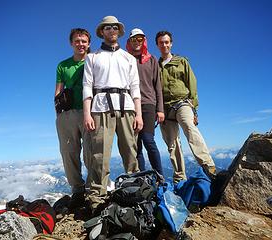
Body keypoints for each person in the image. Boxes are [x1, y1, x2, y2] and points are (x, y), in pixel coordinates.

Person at [83, 16, 143, 212]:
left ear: (118, 31)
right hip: (100, 107)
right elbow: (87, 87)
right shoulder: (92, 57)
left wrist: (139, 114)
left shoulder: (128, 58)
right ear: (102, 31)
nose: (111, 30)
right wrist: (87, 114)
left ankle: (135, 192)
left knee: (130, 151)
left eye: (115, 27)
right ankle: (96, 198)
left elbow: (135, 87)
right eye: (107, 27)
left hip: (127, 107)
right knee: (100, 155)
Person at [155, 30, 216, 183]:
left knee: (190, 128)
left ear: (171, 43)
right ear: (157, 45)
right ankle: (179, 178)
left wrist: (194, 107)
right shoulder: (155, 66)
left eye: (166, 42)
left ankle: (209, 167)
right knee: (172, 143)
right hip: (164, 108)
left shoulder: (181, 61)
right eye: (161, 42)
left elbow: (192, 84)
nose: (164, 45)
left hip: (182, 102)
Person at [55, 28, 91, 208]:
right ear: (71, 43)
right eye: (77, 41)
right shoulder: (63, 65)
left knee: (91, 152)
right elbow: (58, 90)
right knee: (69, 153)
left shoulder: (93, 62)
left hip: (90, 112)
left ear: (88, 43)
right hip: (68, 113)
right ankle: (77, 190)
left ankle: (93, 188)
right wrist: (59, 115)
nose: (80, 44)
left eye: (84, 41)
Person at [126, 28, 164, 176]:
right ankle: (143, 178)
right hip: (129, 105)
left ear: (144, 41)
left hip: (148, 104)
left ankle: (159, 176)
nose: (137, 42)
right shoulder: (125, 59)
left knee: (148, 140)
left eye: (140, 39)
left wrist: (160, 109)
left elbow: (158, 86)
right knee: (136, 145)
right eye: (133, 39)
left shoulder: (152, 59)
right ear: (129, 42)